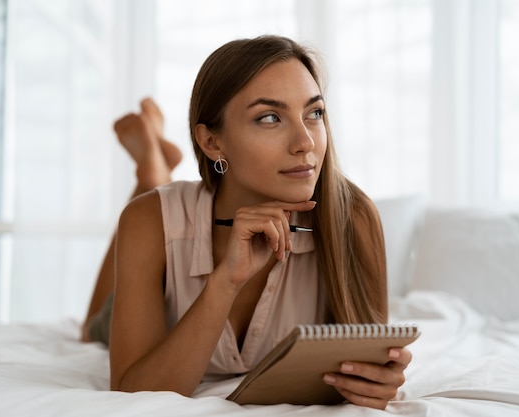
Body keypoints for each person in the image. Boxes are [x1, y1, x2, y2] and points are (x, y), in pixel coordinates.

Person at [82, 35, 412, 410]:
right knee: (93, 326)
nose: (305, 142)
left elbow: (369, 366)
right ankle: (150, 172)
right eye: (270, 117)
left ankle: (157, 164)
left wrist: (379, 381)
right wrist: (225, 282)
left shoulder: (353, 219)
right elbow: (132, 396)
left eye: (314, 113)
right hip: (162, 234)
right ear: (211, 143)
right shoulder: (150, 221)